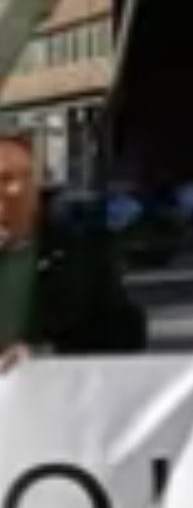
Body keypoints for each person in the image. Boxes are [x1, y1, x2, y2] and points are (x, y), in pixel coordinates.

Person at [0, 130, 145, 368]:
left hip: (53, 393)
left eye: (24, 178)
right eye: (5, 180)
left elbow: (124, 332)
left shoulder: (79, 248)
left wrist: (46, 355)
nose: (15, 191)